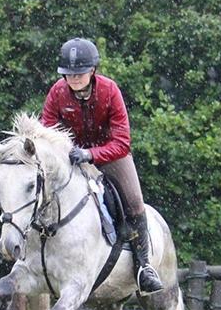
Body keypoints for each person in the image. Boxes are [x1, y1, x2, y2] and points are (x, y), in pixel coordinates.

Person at [40, 37, 164, 293]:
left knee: (134, 200)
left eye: (79, 73)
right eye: (69, 74)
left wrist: (92, 154)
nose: (73, 78)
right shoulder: (57, 92)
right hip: (70, 158)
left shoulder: (109, 90)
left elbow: (122, 141)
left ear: (92, 70)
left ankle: (143, 266)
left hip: (110, 155)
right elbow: (46, 132)